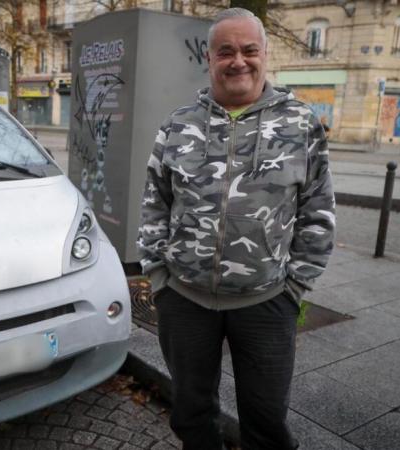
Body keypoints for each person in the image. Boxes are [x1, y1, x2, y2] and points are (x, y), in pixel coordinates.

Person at [137, 7, 335, 450]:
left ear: (265, 54)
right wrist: (159, 277)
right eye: (225, 51)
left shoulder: (300, 124)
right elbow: (154, 202)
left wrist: (295, 288)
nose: (238, 61)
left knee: (266, 423)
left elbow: (318, 210)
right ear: (209, 59)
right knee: (191, 414)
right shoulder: (178, 124)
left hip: (267, 304)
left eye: (249, 50)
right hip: (184, 300)